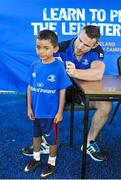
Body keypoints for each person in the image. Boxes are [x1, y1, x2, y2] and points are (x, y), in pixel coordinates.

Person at [22, 25, 112, 162]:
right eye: (80, 40)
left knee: (106, 104)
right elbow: (43, 70)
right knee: (38, 97)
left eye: (87, 45)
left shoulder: (97, 51)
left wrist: (75, 72)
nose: (81, 46)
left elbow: (98, 73)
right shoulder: (61, 47)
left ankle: (89, 143)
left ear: (94, 46)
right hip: (57, 90)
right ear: (77, 34)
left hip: (80, 90)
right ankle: (46, 142)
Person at [24, 29, 72, 179]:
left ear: (55, 49)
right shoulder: (34, 64)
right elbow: (30, 87)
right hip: (36, 111)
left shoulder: (59, 67)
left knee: (52, 139)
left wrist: (59, 112)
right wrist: (29, 107)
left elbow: (62, 90)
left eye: (46, 48)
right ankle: (36, 159)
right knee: (36, 135)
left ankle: (51, 162)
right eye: (38, 47)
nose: (41, 51)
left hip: (51, 113)